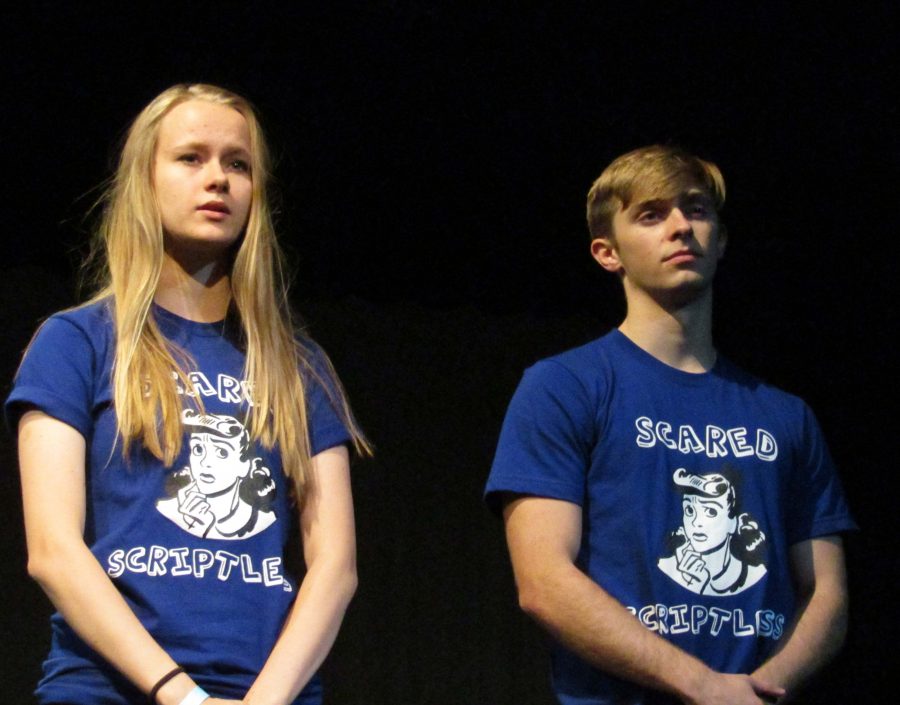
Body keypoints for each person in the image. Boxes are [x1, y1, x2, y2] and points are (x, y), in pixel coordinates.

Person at [7, 84, 370, 705]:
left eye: (237, 164)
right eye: (190, 158)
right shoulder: (78, 342)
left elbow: (335, 565)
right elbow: (52, 551)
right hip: (110, 688)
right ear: (144, 181)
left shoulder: (298, 365)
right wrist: (183, 697)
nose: (218, 180)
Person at [485, 145, 855, 705]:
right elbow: (543, 583)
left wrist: (760, 691)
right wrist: (702, 686)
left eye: (696, 209)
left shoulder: (785, 415)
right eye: (652, 214)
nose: (681, 226)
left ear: (722, 240)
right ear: (608, 253)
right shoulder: (564, 387)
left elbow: (826, 590)